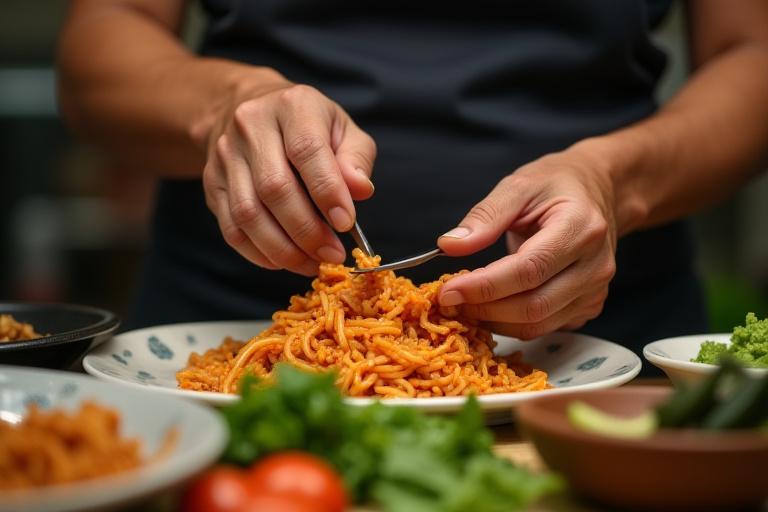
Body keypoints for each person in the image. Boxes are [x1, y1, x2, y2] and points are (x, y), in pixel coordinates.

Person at [57, 1, 768, 361]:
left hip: (594, 349)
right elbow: (98, 45)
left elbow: (753, 52)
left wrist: (616, 180)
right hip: (231, 343)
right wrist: (221, 105)